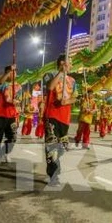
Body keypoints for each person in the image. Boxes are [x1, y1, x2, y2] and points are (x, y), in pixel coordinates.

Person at [44, 54, 77, 186]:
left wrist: (67, 101)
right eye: (70, 62)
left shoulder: (73, 80)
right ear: (62, 63)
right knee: (52, 147)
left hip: (65, 118)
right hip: (52, 115)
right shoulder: (50, 74)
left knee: (61, 148)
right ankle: (54, 176)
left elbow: (75, 97)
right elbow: (50, 87)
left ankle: (54, 167)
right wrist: (60, 73)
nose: (71, 65)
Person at [0, 65, 22, 163]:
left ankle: (5, 153)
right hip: (0, 115)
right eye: (11, 72)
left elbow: (19, 99)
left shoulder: (18, 86)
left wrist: (16, 102)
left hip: (12, 116)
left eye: (15, 72)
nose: (14, 74)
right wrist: (8, 71)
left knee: (13, 137)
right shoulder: (3, 84)